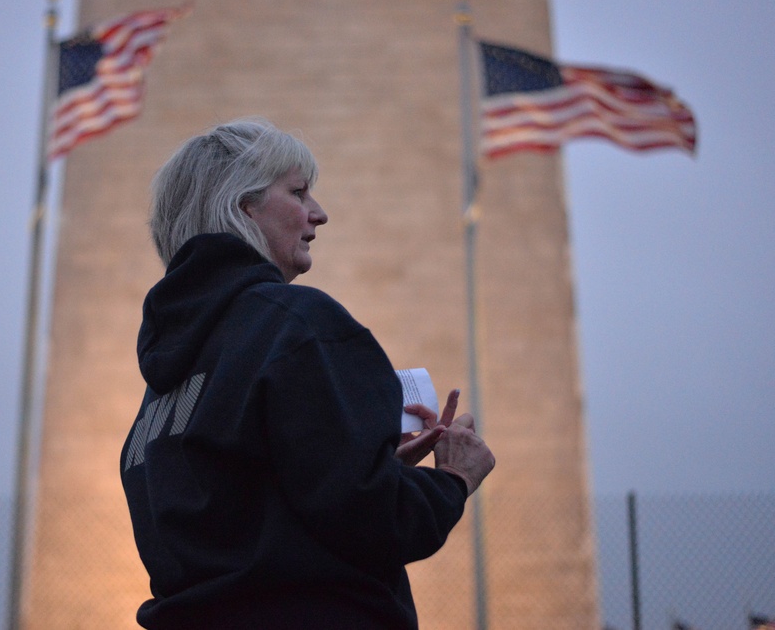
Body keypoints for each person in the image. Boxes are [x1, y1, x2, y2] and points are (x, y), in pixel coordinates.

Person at [120, 118, 495, 630]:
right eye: (298, 192)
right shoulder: (297, 326)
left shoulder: (166, 376)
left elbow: (239, 516)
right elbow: (376, 520)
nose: (320, 213)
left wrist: (367, 461)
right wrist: (453, 478)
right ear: (242, 206)